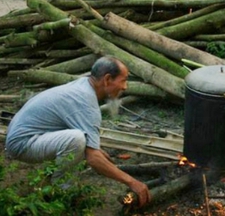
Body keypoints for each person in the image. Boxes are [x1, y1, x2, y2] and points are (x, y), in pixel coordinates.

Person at [5, 56, 151, 207]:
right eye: (123, 80)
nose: (125, 87)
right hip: (22, 144)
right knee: (76, 140)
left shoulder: (83, 85)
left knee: (82, 142)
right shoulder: (86, 103)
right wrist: (132, 182)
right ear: (107, 79)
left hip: (22, 136)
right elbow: (93, 158)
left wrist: (96, 150)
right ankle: (61, 193)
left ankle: (48, 184)